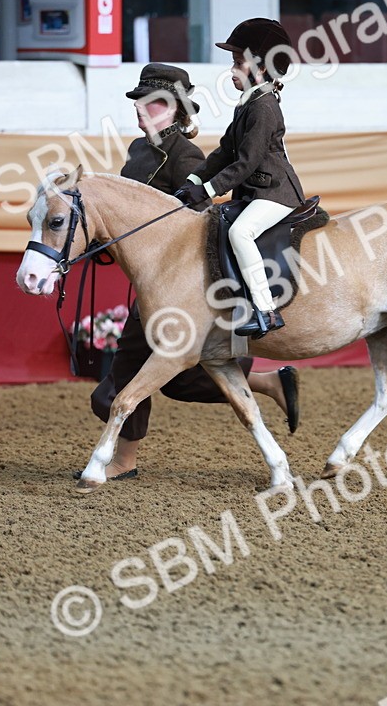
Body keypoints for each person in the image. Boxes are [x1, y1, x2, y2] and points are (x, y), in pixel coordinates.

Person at [87, 63, 299, 481]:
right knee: (179, 381)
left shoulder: (187, 155)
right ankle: (270, 382)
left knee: (123, 379)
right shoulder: (137, 150)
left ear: (179, 110)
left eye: (158, 104)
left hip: (178, 286)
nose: (145, 110)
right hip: (152, 285)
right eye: (141, 102)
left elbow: (198, 221)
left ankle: (123, 461)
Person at [173, 18, 306, 340]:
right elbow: (224, 152)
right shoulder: (248, 102)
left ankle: (265, 309)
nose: (231, 70)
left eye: (237, 63)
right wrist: (193, 180)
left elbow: (246, 163)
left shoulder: (264, 107)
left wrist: (207, 190)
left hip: (276, 191)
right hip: (258, 189)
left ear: (259, 66)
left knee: (241, 233)